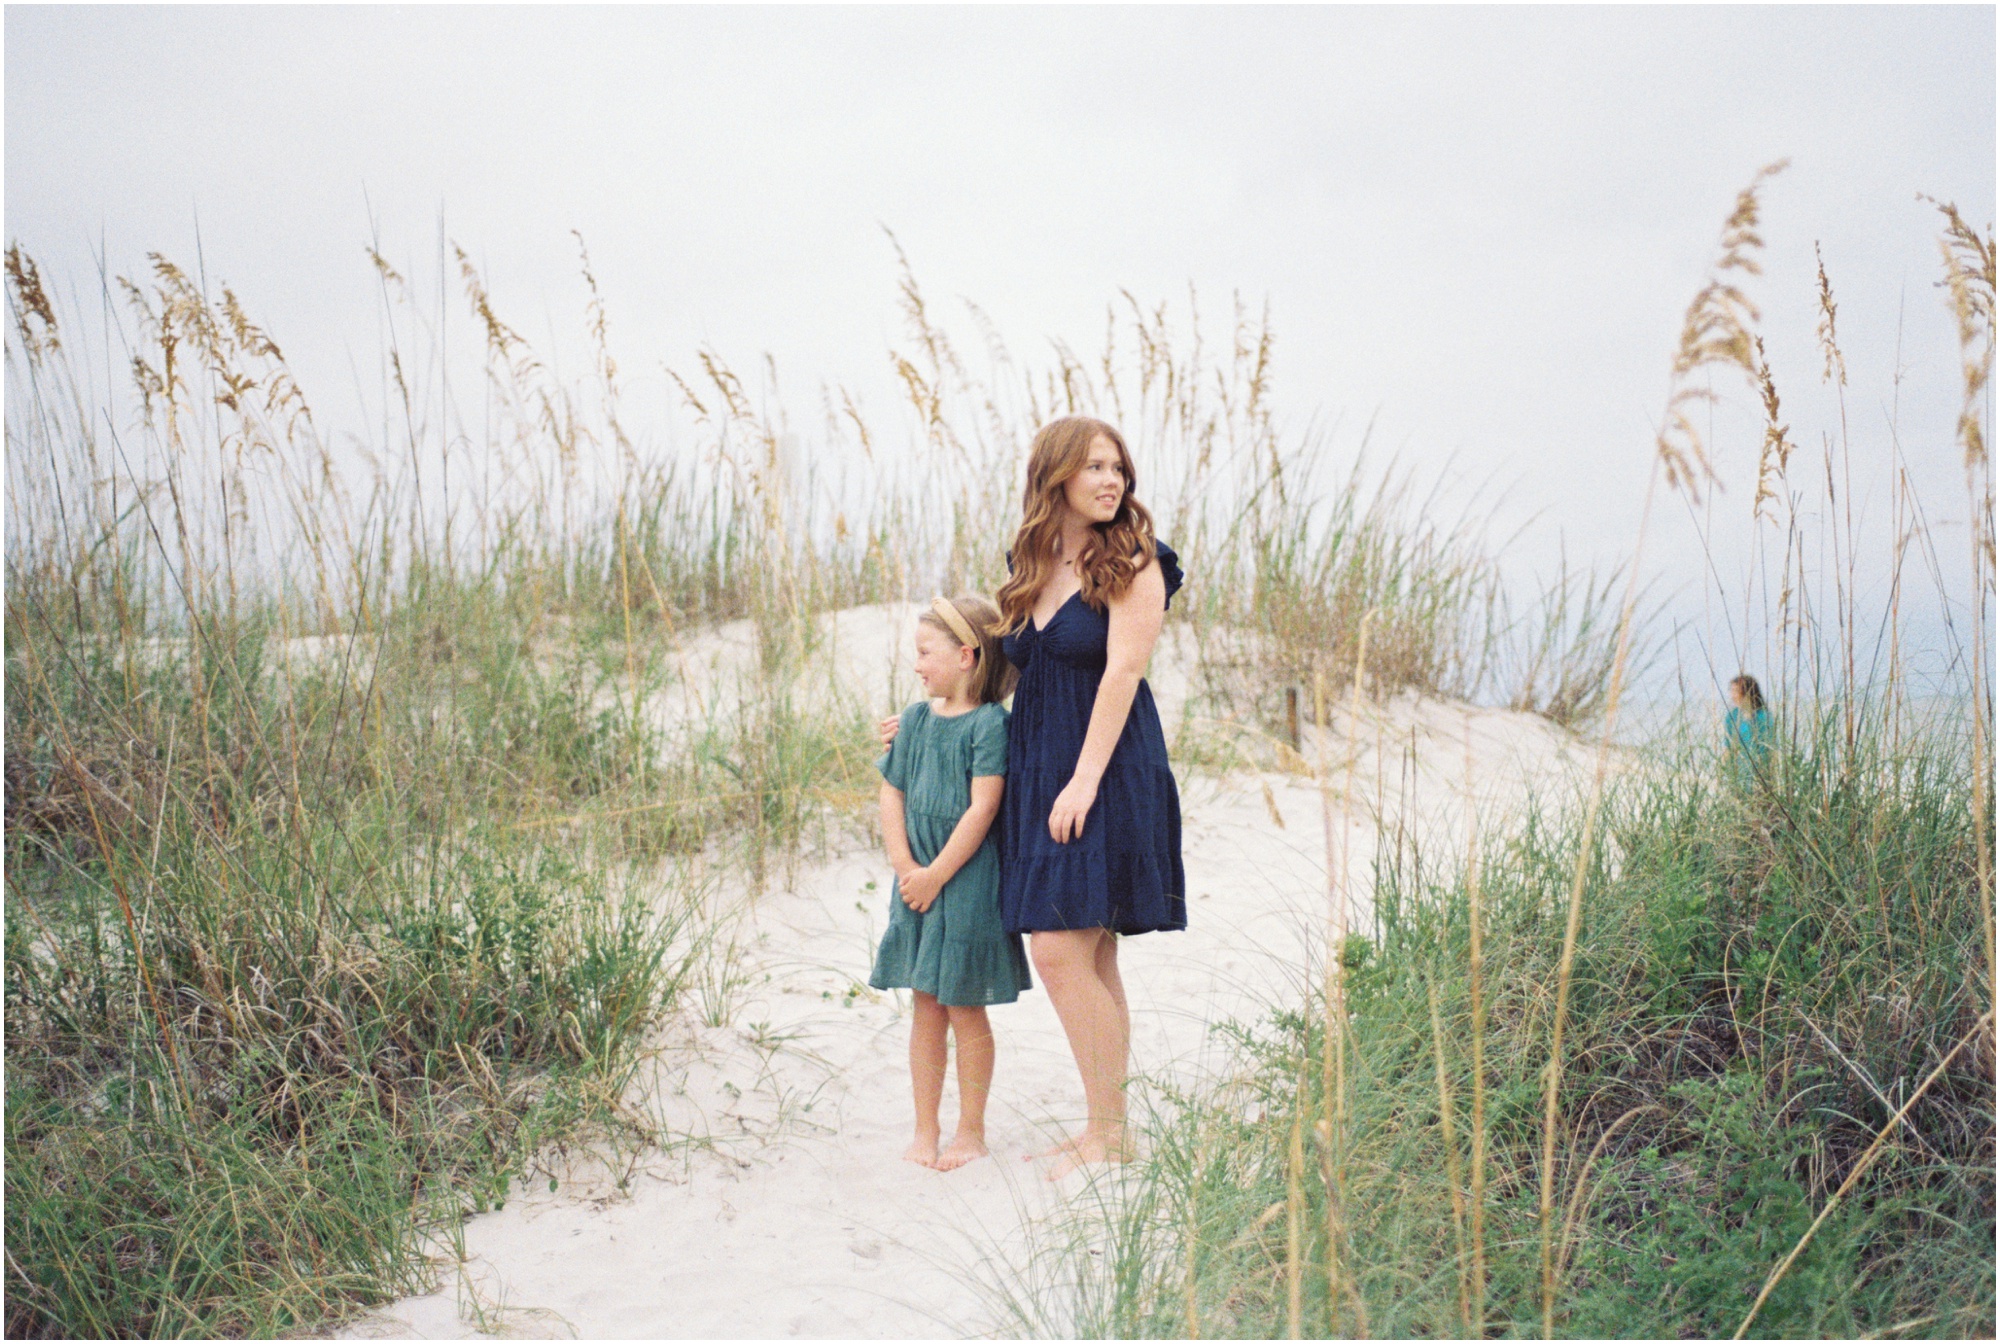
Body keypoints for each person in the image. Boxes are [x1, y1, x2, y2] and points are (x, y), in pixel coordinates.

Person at [887, 416, 1185, 1178]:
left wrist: (1083, 779)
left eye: (1118, 467)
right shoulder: (1032, 564)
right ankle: (1108, 1128)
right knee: (1090, 951)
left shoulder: (1136, 563)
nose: (1111, 480)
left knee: (1057, 949)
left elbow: (1122, 672)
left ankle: (1110, 1133)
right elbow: (1016, 671)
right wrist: (928, 718)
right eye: (1093, 466)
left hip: (1105, 769)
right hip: (1039, 769)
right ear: (1055, 476)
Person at [870, 593, 1030, 1171]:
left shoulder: (990, 725)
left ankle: (971, 1131)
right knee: (926, 1004)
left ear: (966, 657)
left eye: (924, 652)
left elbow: (983, 808)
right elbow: (893, 792)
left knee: (964, 1004)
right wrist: (906, 867)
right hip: (915, 874)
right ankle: (924, 1128)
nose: (916, 664)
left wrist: (938, 874)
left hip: (964, 878)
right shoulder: (912, 721)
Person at [1724, 673, 1774, 787]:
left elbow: (1771, 748)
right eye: (1731, 691)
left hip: (1760, 772)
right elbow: (1728, 746)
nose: (1732, 695)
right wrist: (1723, 772)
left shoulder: (1763, 716)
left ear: (1748, 692)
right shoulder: (1732, 716)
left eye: (1736, 691)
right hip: (1738, 773)